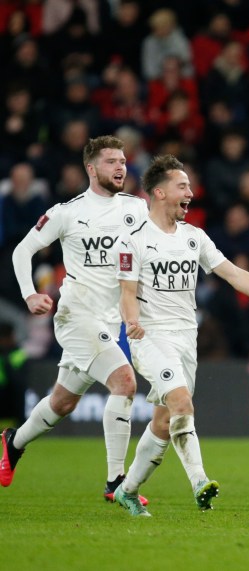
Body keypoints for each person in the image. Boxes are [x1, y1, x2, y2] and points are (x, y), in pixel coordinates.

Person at [113, 155, 249, 516]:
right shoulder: (134, 240)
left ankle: (127, 490)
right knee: (182, 403)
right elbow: (126, 291)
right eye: (182, 186)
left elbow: (233, 274)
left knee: (164, 420)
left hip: (187, 337)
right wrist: (132, 321)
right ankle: (200, 482)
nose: (191, 192)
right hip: (150, 336)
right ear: (159, 192)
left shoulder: (193, 237)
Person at [2, 136, 151, 506]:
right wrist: (29, 294)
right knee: (125, 382)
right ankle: (117, 481)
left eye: (122, 161)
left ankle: (12, 443)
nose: (120, 167)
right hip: (75, 315)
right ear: (91, 168)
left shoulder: (137, 209)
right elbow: (23, 250)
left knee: (63, 401)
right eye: (111, 162)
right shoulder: (67, 213)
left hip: (108, 320)